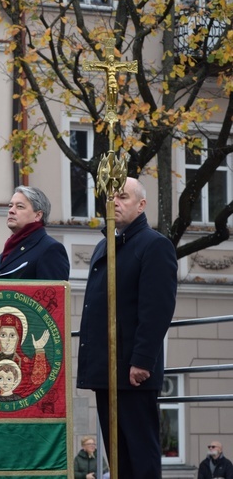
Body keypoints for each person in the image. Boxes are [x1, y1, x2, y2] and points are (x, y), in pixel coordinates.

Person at [77, 177, 178, 478]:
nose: (115, 203)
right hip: (106, 367)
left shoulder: (154, 245)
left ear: (141, 204)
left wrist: (143, 360)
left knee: (140, 456)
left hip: (132, 370)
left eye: (122, 197)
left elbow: (157, 308)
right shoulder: (105, 245)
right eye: (111, 197)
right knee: (118, 458)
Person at [0, 186, 69, 280]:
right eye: (10, 206)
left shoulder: (50, 249)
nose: (11, 211)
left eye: (19, 207)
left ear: (38, 215)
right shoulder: (9, 248)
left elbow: (53, 293)